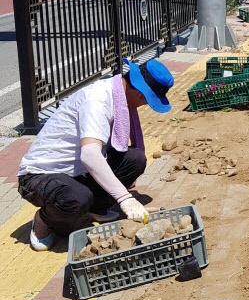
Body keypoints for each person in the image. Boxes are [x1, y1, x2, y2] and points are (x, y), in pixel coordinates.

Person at [17, 60, 175, 251]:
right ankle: (44, 220)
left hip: (78, 171)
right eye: (145, 101)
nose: (142, 106)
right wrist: (124, 198)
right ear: (140, 94)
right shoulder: (98, 100)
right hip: (40, 175)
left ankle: (95, 207)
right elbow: (90, 155)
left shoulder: (117, 95)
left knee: (135, 159)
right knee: (75, 201)